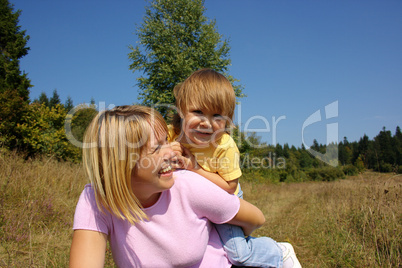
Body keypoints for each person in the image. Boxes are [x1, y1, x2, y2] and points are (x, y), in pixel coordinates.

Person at [69, 105, 284, 268]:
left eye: (166, 142)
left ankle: (282, 255)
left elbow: (256, 218)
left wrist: (220, 236)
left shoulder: (187, 185)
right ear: (120, 164)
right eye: (156, 149)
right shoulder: (97, 200)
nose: (171, 153)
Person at [169, 68, 301, 268]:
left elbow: (229, 186)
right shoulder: (172, 134)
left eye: (217, 116)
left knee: (239, 254)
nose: (206, 122)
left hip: (224, 198)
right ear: (181, 109)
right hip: (192, 200)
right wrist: (165, 150)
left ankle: (279, 251)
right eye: (198, 112)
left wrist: (194, 167)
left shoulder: (225, 145)